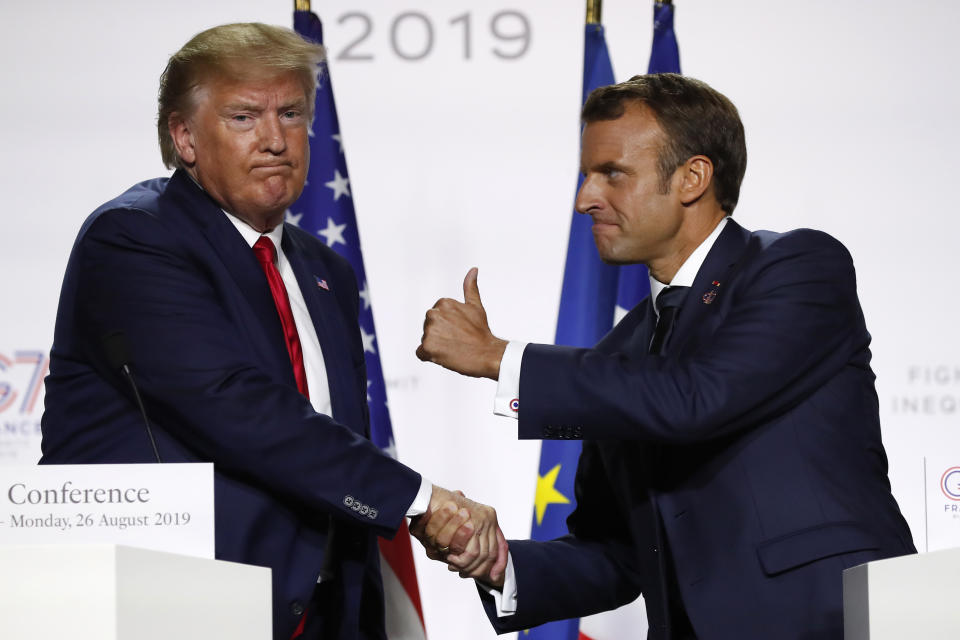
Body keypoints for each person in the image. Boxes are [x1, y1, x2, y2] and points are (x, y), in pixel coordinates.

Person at [40, 23, 503, 640]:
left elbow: (334, 437)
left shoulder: (325, 271)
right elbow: (237, 407)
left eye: (291, 113)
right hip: (176, 606)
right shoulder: (134, 239)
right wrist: (420, 502)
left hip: (326, 609)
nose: (274, 139)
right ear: (185, 137)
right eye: (243, 117)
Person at [416, 73, 915, 639]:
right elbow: (617, 552)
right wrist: (498, 562)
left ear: (693, 178)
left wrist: (499, 358)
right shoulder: (618, 353)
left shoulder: (798, 267)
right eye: (585, 175)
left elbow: (696, 398)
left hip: (829, 623)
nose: (585, 199)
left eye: (612, 174)